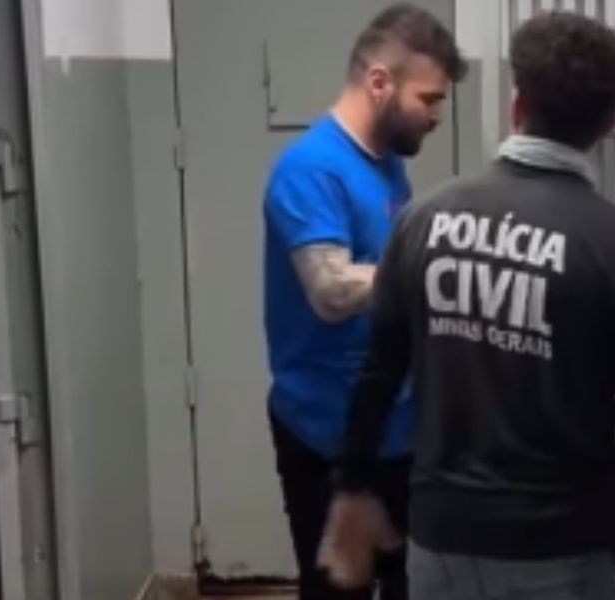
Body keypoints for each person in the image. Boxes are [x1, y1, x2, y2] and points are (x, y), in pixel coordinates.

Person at [322, 10, 615, 600]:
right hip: (557, 546)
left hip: (441, 538)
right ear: (609, 124)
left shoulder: (424, 219)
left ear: (517, 105)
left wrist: (351, 486)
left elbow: (379, 374)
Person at [262, 4, 466, 599]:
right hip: (327, 433)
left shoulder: (387, 165)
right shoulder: (310, 169)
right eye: (429, 99)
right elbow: (330, 292)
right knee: (339, 591)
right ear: (380, 83)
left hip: (394, 429)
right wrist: (441, 269)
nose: (436, 116)